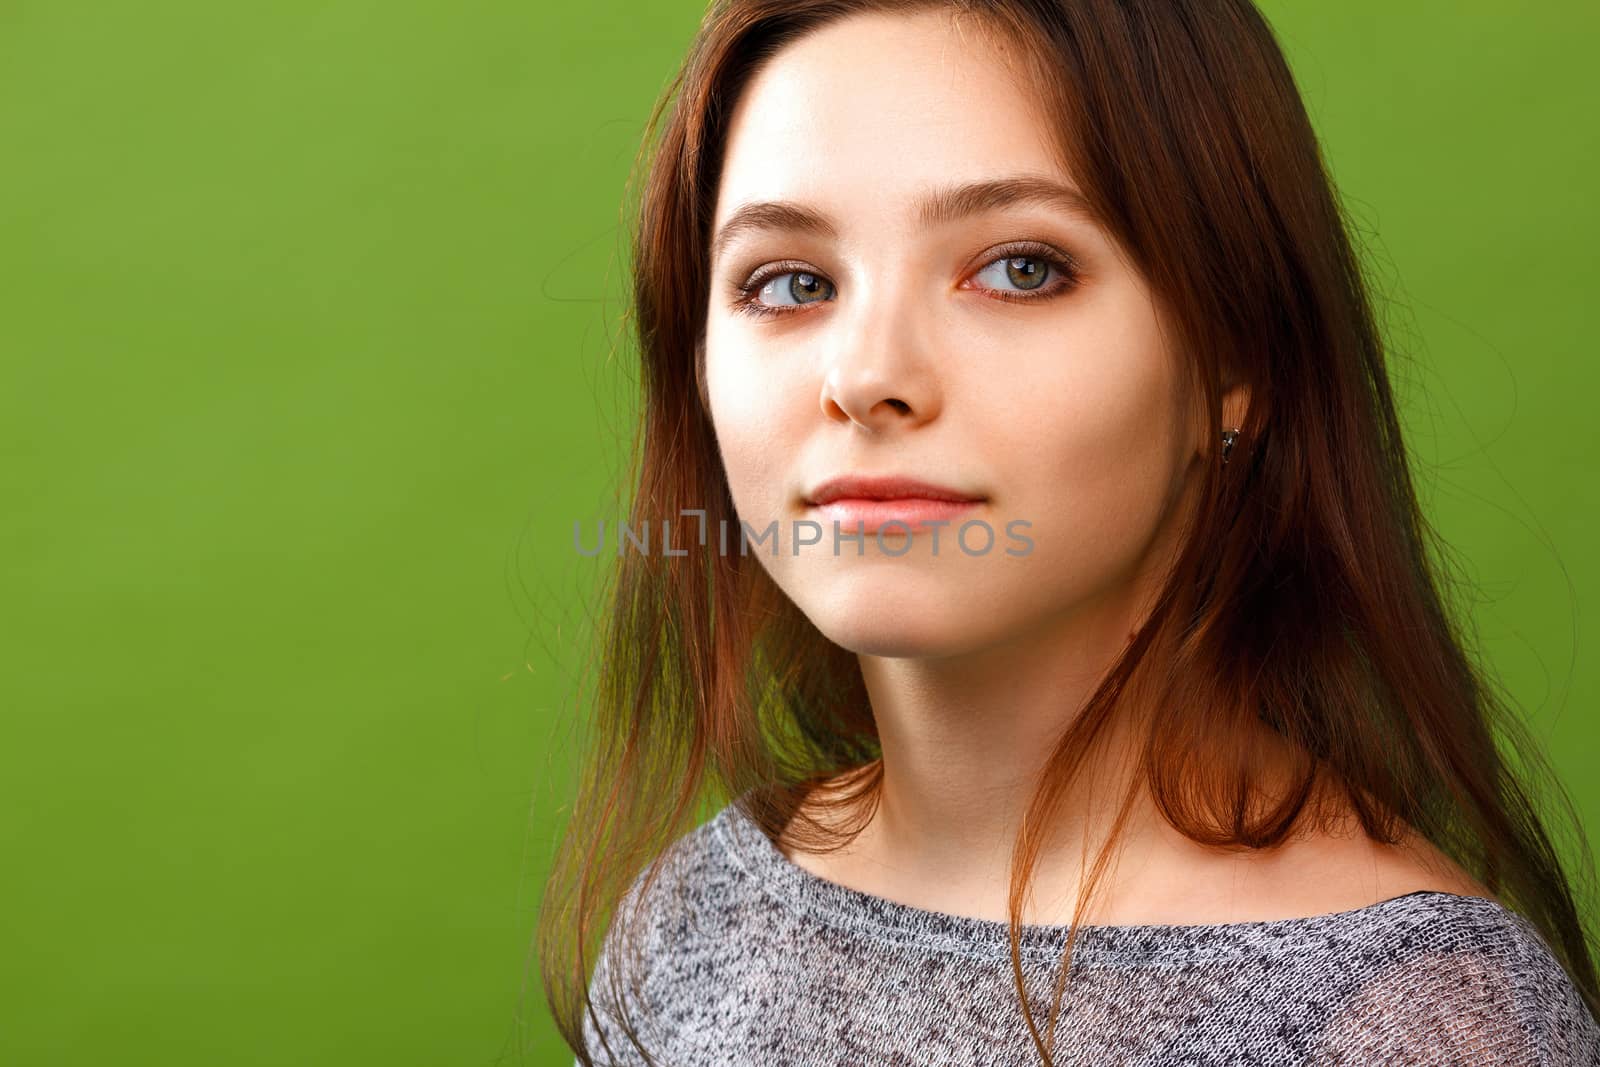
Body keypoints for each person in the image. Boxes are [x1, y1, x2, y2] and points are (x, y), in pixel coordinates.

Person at [539, 1, 1600, 1063]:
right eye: (791, 282)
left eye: (1019, 268)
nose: (866, 377)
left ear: (1234, 358)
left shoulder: (1421, 1023)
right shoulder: (690, 923)